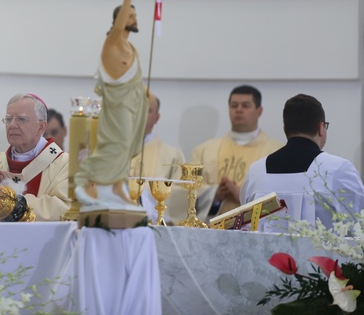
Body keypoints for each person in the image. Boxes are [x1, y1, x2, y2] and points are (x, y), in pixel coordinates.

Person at [74, 0, 148, 215]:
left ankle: (116, 186)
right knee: (115, 145)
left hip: (131, 105)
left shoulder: (130, 48)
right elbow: (117, 29)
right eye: (130, 15)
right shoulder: (112, 43)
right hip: (117, 108)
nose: (134, 19)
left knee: (125, 148)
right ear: (120, 18)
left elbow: (132, 79)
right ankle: (89, 180)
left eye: (135, 15)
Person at [241, 94, 364, 228]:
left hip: (265, 250)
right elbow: (358, 225)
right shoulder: (338, 170)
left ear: (285, 129)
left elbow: (243, 226)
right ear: (321, 128)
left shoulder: (256, 172)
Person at [0, 93, 70, 222]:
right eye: (9, 119)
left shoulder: (65, 164)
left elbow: (66, 208)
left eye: (21, 119)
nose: (12, 125)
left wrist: (15, 203)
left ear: (41, 126)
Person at [191, 84, 283, 218]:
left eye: (245, 106)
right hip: (209, 230)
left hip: (255, 233)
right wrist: (215, 194)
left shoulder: (276, 152)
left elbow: (281, 198)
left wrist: (241, 194)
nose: (239, 110)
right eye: (234, 105)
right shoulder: (204, 150)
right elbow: (187, 193)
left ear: (259, 111)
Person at [130, 94, 185, 181]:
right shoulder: (110, 151)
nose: (140, 114)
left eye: (147, 110)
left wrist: (144, 193)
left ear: (157, 118)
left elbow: (180, 189)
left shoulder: (173, 156)